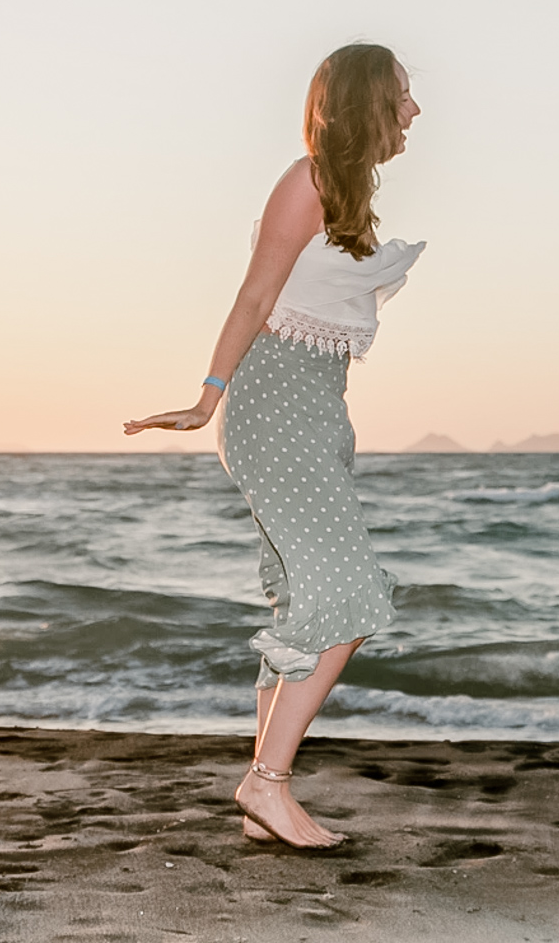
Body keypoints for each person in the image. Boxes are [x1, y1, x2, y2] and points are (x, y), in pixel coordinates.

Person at [125, 43, 423, 849]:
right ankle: (267, 783)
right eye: (401, 95)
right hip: (272, 403)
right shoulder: (309, 180)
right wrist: (205, 397)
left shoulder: (348, 193)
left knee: (303, 602)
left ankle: (268, 797)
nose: (414, 110)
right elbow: (254, 294)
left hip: (316, 407)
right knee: (349, 594)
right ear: (365, 100)